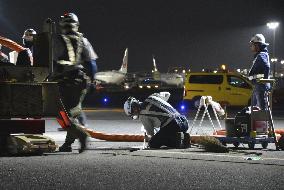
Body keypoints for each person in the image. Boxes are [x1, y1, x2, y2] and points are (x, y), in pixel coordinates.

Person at [52, 13, 98, 153]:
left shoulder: (58, 40)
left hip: (65, 82)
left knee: (61, 113)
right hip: (80, 80)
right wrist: (93, 82)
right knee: (75, 112)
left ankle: (81, 135)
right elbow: (91, 64)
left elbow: (52, 63)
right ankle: (68, 143)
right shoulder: (83, 40)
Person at [124, 92, 190, 148]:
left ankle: (177, 140)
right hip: (184, 121)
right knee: (164, 131)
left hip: (173, 125)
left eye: (133, 112)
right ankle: (183, 137)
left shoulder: (142, 115)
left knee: (153, 143)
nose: (135, 112)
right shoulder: (153, 96)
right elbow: (167, 94)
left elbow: (151, 134)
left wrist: (148, 138)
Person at [248, 34, 270, 110]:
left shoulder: (261, 55)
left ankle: (262, 121)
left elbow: (266, 67)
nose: (251, 47)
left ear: (257, 45)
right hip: (259, 85)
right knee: (255, 108)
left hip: (260, 86)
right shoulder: (262, 54)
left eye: (252, 45)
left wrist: (264, 80)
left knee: (261, 109)